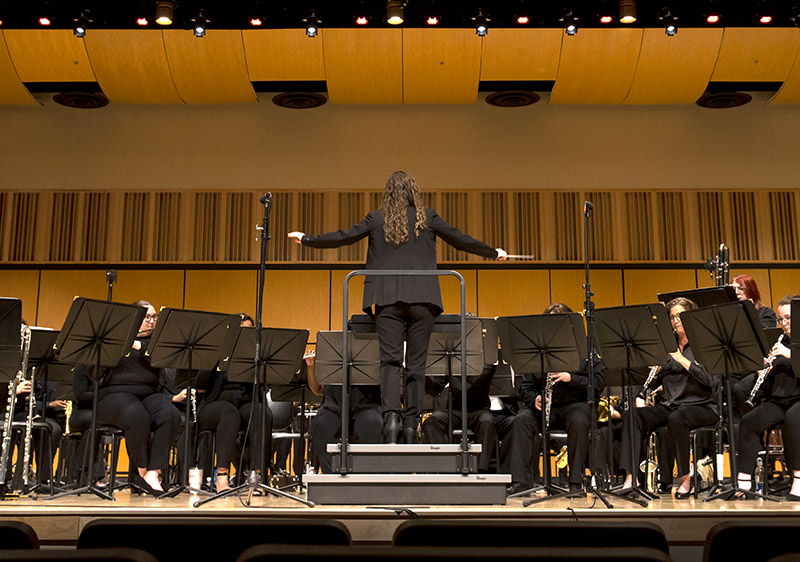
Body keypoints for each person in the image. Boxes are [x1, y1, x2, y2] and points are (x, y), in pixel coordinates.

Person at [289, 170, 507, 443]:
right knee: (416, 365)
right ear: (413, 193)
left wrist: (307, 239)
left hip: (386, 299)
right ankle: (410, 423)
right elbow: (460, 239)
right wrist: (492, 252)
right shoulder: (428, 218)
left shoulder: (376, 219)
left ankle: (391, 420)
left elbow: (343, 236)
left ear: (388, 195)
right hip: (423, 299)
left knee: (389, 363)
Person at [619, 297, 718, 499]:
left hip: (702, 406)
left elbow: (711, 381)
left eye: (680, 316)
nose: (676, 321)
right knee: (632, 415)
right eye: (672, 317)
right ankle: (631, 479)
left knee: (677, 419)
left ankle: (684, 480)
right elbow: (654, 383)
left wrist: (681, 360)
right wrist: (654, 376)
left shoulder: (704, 344)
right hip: (671, 405)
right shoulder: (667, 347)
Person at [503, 303, 604, 495]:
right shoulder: (538, 348)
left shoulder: (585, 349)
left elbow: (598, 383)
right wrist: (534, 400)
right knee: (521, 420)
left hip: (575, 404)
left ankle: (575, 482)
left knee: (580, 419)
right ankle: (520, 480)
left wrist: (571, 378)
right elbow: (525, 385)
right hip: (545, 405)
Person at [95, 301, 182, 495]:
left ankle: (154, 472)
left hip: (149, 393)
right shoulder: (114, 337)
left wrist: (135, 344)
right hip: (115, 394)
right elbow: (94, 369)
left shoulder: (157, 342)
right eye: (146, 317)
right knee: (138, 417)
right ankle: (143, 473)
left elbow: (158, 356)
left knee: (170, 414)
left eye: (154, 317)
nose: (151, 322)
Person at [190, 313, 272, 491]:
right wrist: (217, 356)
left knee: (260, 413)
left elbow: (267, 384)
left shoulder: (253, 354)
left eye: (248, 331)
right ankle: (221, 476)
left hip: (244, 404)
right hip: (214, 406)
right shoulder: (217, 350)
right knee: (229, 413)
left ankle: (255, 476)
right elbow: (200, 384)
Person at [736, 295, 800, 499]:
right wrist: (762, 373)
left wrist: (791, 355)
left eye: (789, 318)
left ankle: (798, 480)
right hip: (780, 400)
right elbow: (775, 385)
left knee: (793, 419)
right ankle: (744, 482)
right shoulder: (781, 341)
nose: (784, 324)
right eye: (781, 320)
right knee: (749, 421)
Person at [307, 351, 382, 473]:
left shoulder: (372, 348)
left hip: (366, 404)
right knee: (321, 423)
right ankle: (331, 477)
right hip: (334, 405)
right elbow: (318, 389)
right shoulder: (331, 350)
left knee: (372, 422)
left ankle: (364, 477)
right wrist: (310, 367)